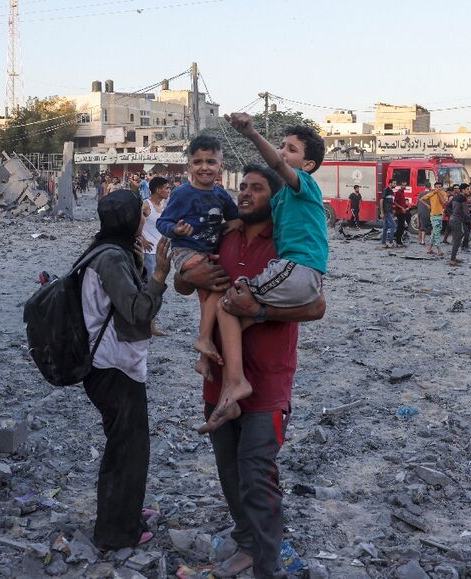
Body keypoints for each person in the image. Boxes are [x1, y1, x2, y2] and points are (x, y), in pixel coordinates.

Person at [175, 166, 326, 578]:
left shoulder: (287, 244)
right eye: (242, 186)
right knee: (228, 470)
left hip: (269, 380)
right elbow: (184, 285)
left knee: (258, 474)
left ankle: (268, 565)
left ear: (275, 198)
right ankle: (245, 544)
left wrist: (258, 311)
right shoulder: (221, 235)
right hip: (217, 377)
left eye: (256, 188)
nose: (244, 193)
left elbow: (316, 307)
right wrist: (186, 276)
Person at [205, 113, 329, 432]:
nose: (284, 153)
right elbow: (260, 214)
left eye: (291, 149)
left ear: (309, 165)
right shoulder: (282, 201)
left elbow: (276, 167)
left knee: (234, 298)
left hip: (298, 269)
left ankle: (234, 380)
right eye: (282, 146)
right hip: (294, 272)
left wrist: (253, 135)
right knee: (232, 308)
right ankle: (232, 379)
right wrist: (235, 221)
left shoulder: (306, 186)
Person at [80, 189, 171, 550]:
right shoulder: (111, 259)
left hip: (113, 365)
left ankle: (126, 511)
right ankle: (116, 533)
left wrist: (137, 264)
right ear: (130, 220)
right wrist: (160, 275)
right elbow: (138, 311)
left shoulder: (109, 250)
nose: (143, 218)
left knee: (131, 447)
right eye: (140, 214)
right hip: (113, 368)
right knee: (126, 451)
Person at [155, 135, 241, 383]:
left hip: (208, 254)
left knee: (209, 305)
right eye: (198, 162)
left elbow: (235, 220)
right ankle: (203, 341)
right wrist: (176, 231)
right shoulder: (182, 193)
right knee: (216, 284)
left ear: (220, 165)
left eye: (211, 162)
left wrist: (230, 228)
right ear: (189, 166)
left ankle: (204, 355)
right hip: (186, 252)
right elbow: (163, 222)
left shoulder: (222, 195)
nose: (205, 167)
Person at [141, 176, 171, 337]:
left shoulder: (164, 205)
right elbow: (135, 224)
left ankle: (151, 325)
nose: (168, 191)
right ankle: (150, 327)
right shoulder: (146, 205)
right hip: (148, 254)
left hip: (161, 254)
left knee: (158, 289)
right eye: (166, 188)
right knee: (150, 288)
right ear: (158, 189)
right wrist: (143, 240)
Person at [420, 182, 445, 256]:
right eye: (436, 187)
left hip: (440, 215)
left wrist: (438, 193)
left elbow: (443, 201)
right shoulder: (431, 193)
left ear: (441, 187)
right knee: (437, 232)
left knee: (434, 232)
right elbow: (421, 199)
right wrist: (427, 205)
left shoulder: (443, 193)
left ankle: (429, 248)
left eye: (439, 187)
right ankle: (439, 249)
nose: (438, 188)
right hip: (433, 216)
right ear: (434, 187)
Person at [448, 185, 468, 266]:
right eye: (467, 189)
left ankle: (454, 257)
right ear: (463, 190)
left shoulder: (455, 197)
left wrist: (452, 214)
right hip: (457, 221)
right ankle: (452, 260)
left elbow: (448, 206)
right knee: (457, 240)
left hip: (453, 219)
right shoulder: (463, 198)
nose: (468, 190)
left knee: (460, 237)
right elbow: (466, 212)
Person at [380, 180, 396, 249]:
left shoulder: (392, 192)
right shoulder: (386, 190)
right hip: (386, 211)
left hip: (389, 211)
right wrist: (382, 212)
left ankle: (383, 243)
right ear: (390, 183)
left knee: (385, 227)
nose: (395, 185)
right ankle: (390, 243)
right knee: (393, 225)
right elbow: (381, 201)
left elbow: (390, 202)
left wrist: (393, 210)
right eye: (394, 183)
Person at [393, 181, 408, 248]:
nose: (404, 186)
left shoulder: (402, 193)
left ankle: (398, 240)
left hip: (402, 212)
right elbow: (395, 202)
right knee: (400, 227)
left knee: (402, 227)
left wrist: (406, 207)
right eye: (403, 185)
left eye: (405, 185)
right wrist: (402, 208)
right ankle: (398, 241)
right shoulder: (398, 193)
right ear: (400, 186)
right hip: (399, 212)